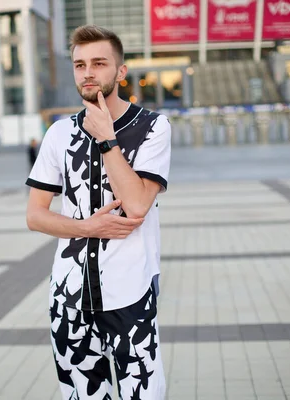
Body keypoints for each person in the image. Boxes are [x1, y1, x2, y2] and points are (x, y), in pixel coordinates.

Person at [25, 25, 171, 400]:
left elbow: (138, 204)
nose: (87, 72)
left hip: (130, 292)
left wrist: (107, 138)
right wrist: (87, 226)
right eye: (79, 65)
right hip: (68, 295)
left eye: (99, 63)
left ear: (120, 72)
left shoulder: (153, 127)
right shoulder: (59, 134)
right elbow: (35, 216)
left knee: (143, 394)